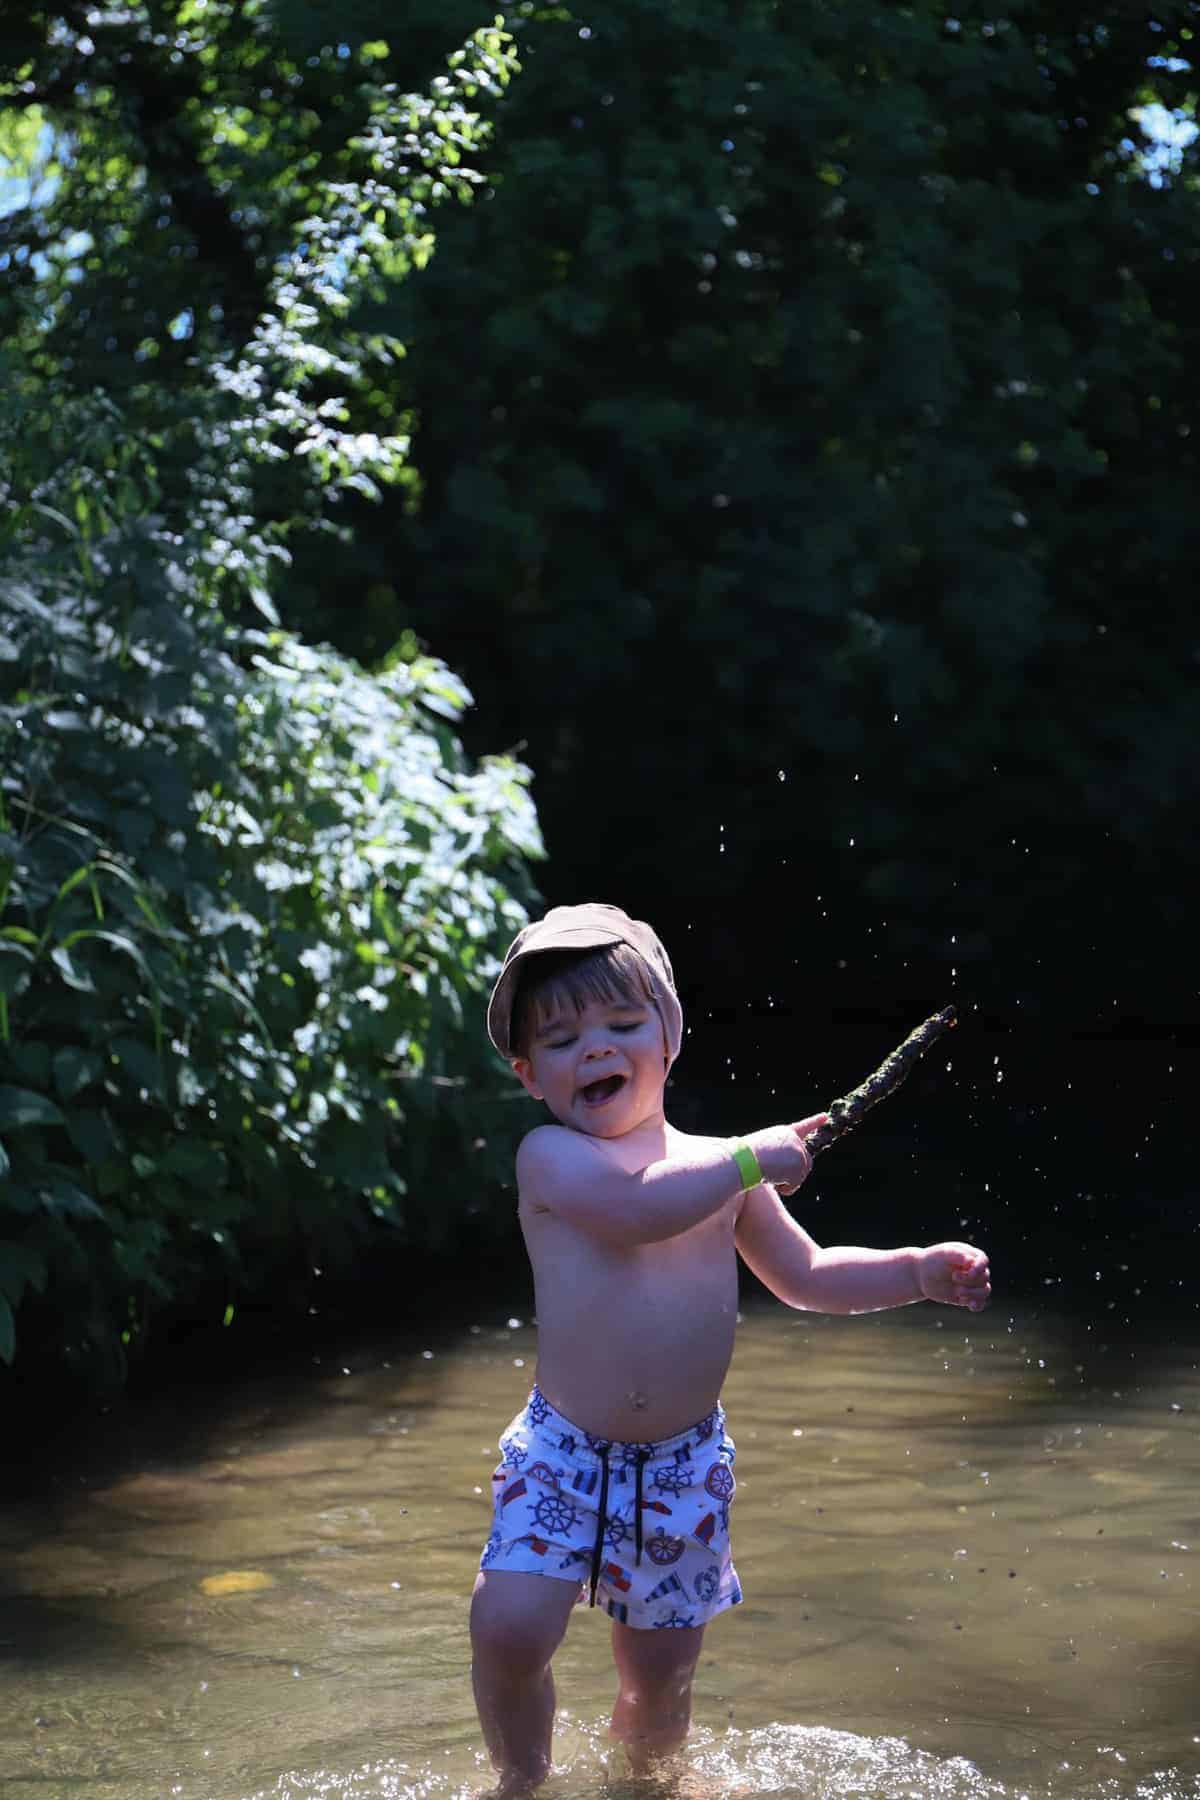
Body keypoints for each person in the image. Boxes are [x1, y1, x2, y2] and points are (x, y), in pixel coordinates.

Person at [471, 903, 990, 1795]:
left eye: (622, 1024)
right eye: (561, 1040)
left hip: (681, 1463)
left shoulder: (720, 1166)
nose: (594, 1048)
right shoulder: (550, 1159)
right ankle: (523, 1782)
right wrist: (750, 1159)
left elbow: (809, 1274)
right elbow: (638, 1214)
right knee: (511, 1628)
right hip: (565, 1450)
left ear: (668, 1035)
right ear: (529, 1075)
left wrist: (912, 1271)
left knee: (662, 1682)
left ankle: (647, 1781)